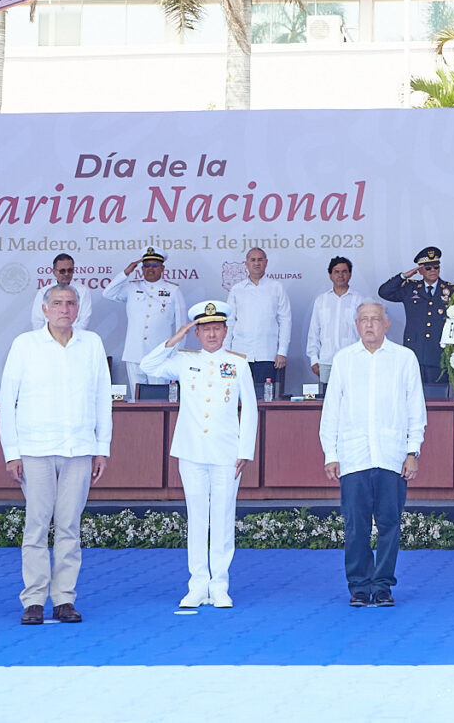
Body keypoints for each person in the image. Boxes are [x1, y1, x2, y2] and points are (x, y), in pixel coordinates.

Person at [0, 284, 114, 625]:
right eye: (58, 303)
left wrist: (101, 448)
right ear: (45, 309)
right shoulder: (25, 344)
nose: (65, 309)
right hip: (35, 449)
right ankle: (33, 599)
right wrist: (11, 452)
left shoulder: (91, 344)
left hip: (79, 449)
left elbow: (101, 399)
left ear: (78, 309)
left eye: (71, 303)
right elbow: (7, 401)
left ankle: (64, 598)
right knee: (36, 527)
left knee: (69, 527)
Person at [146, 299, 260, 608]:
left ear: (225, 331)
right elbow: (149, 366)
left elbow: (249, 408)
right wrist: (175, 338)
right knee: (197, 518)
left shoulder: (237, 363)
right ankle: (197, 584)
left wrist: (245, 450)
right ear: (197, 333)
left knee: (222, 518)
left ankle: (220, 585)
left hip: (226, 451)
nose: (211, 334)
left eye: (216, 329)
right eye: (205, 329)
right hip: (192, 450)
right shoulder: (184, 360)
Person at [320, 300, 426, 606]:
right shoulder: (344, 360)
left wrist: (412, 451)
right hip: (354, 455)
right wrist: (331, 453)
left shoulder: (404, 359)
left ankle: (382, 585)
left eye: (375, 319)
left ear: (387, 324)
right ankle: (358, 586)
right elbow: (332, 411)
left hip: (392, 455)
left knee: (390, 523)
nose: (369, 325)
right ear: (356, 325)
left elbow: (415, 409)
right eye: (364, 319)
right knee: (356, 525)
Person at [106, 247, 185, 400]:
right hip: (134, 353)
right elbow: (108, 293)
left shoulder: (173, 290)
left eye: (155, 265)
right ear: (141, 268)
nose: (150, 269)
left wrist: (175, 358)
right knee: (138, 400)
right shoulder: (131, 288)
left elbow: (181, 329)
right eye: (146, 265)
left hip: (161, 355)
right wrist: (126, 273)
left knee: (160, 399)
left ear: (162, 268)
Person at [378, 247, 454, 397]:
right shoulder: (410, 288)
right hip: (414, 353)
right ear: (420, 270)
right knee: (412, 396)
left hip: (438, 355)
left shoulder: (451, 290)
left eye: (436, 267)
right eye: (428, 267)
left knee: (438, 399)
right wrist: (403, 276)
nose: (433, 270)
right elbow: (384, 292)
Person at [227, 246, 293, 401]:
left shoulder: (276, 288)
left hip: (267, 353)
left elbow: (285, 320)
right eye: (253, 260)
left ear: (266, 262)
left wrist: (282, 351)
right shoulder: (237, 290)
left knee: (265, 399)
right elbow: (229, 322)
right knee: (240, 399)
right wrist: (226, 351)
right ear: (246, 264)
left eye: (260, 260)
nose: (257, 263)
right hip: (240, 354)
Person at [307, 256, 366, 387]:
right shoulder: (321, 300)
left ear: (350, 274)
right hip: (326, 362)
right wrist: (314, 360)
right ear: (330, 275)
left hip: (353, 361)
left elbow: (364, 332)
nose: (340, 275)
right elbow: (314, 332)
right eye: (336, 272)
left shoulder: (359, 300)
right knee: (327, 403)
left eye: (344, 271)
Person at [27, 253, 80, 335]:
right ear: (54, 272)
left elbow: (83, 320)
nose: (66, 274)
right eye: (62, 271)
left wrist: (69, 337)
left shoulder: (83, 291)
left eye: (70, 270)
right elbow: (37, 321)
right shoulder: (43, 292)